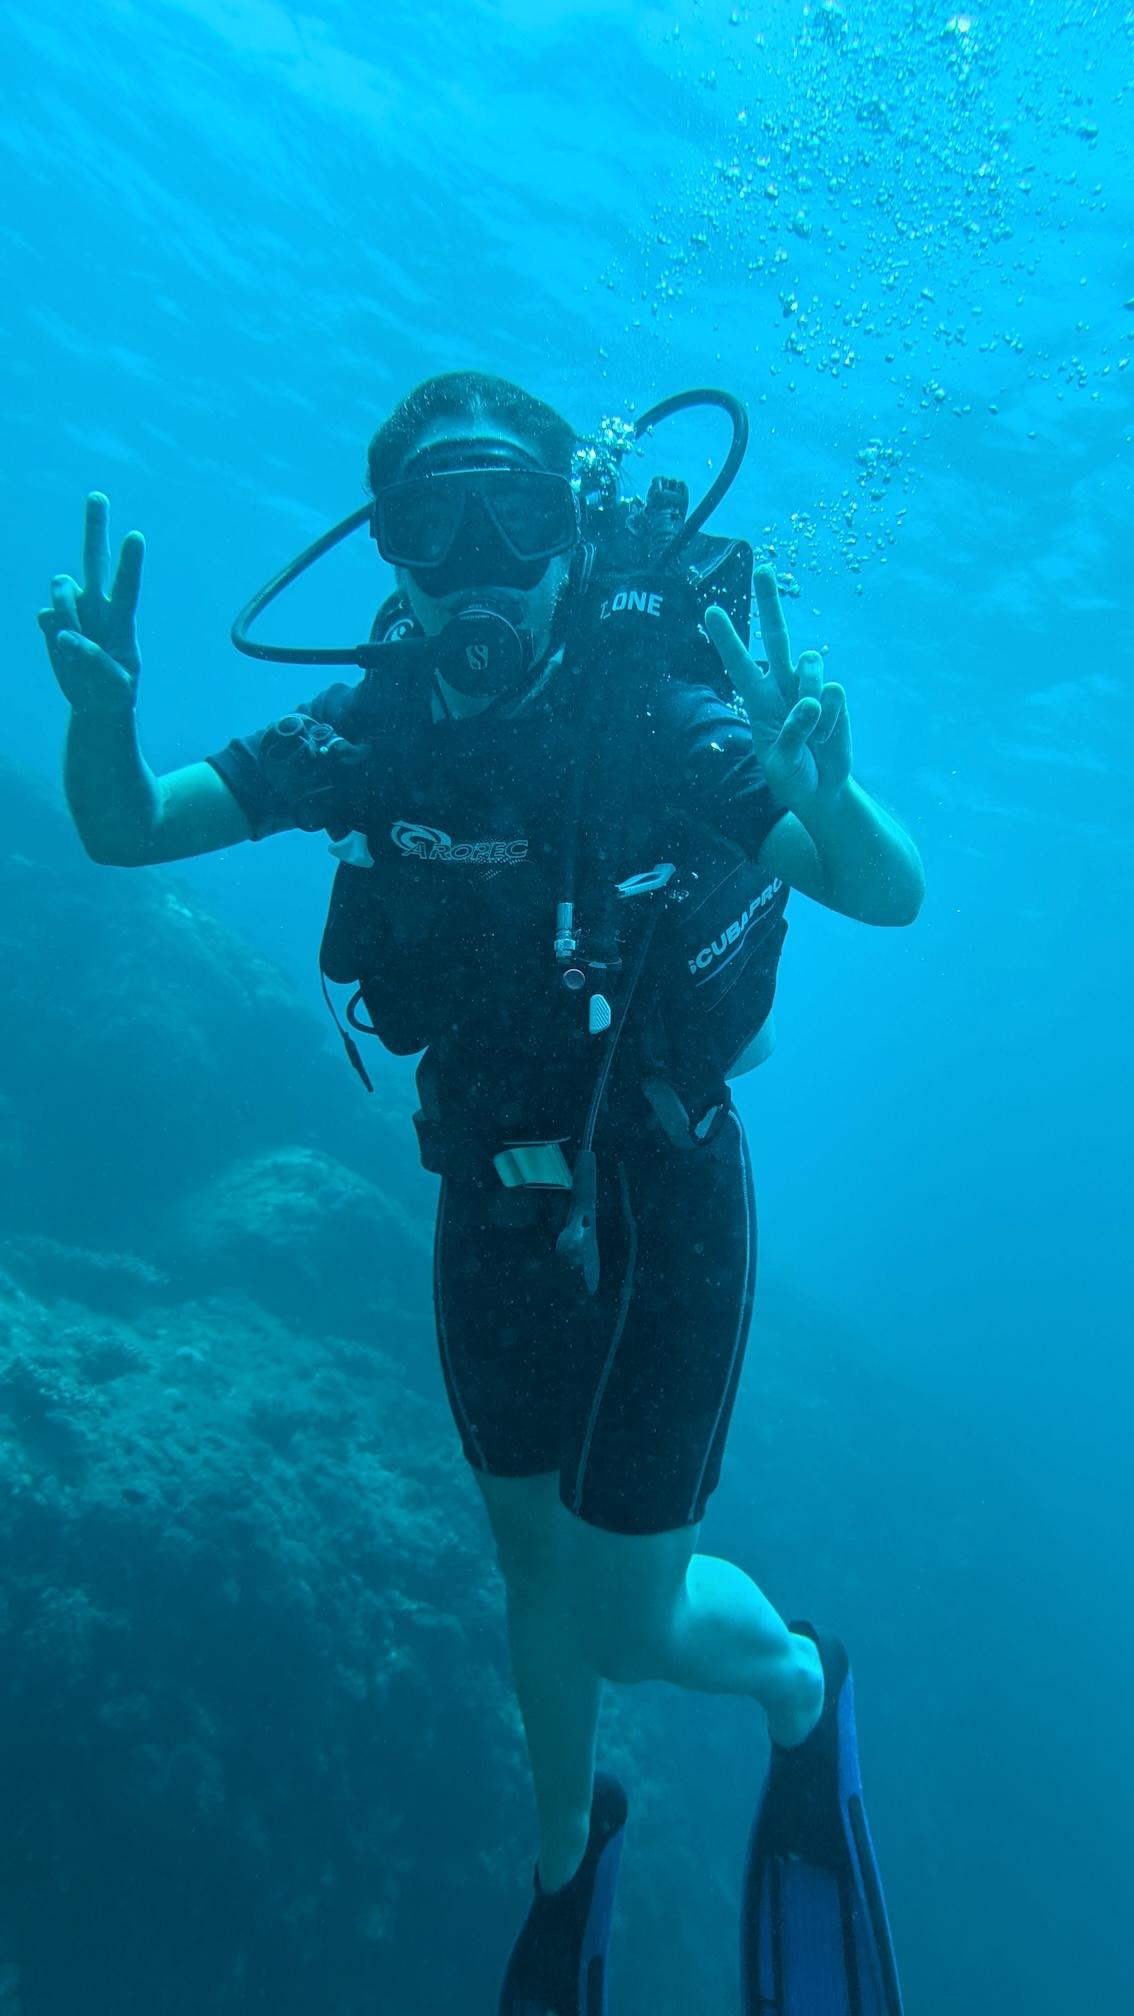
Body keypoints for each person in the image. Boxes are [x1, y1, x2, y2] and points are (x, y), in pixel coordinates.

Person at [40, 371, 923, 2016]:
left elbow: (886, 891)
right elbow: (124, 828)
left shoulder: (655, 716)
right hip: (485, 1188)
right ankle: (561, 1857)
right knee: (531, 1570)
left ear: (571, 535)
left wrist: (819, 793)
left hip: (664, 1187)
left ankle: (800, 1683)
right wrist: (103, 711)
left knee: (631, 1621)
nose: (470, 561)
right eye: (425, 525)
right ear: (389, 552)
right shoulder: (369, 723)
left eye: (511, 516)